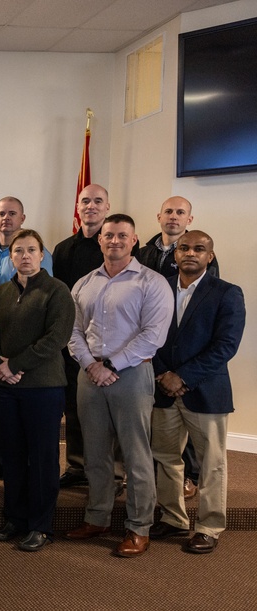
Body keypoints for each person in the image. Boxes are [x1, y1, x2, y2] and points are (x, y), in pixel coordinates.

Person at [65, 214, 173, 558]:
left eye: (122, 236)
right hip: (90, 376)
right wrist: (91, 365)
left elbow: (153, 336)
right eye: (109, 235)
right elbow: (73, 332)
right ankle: (97, 517)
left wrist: (110, 365)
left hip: (132, 376)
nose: (114, 240)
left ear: (134, 239)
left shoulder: (152, 282)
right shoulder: (83, 283)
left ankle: (138, 527)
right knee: (95, 454)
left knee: (135, 454)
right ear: (100, 240)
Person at [149, 231, 244, 554]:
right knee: (165, 458)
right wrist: (163, 374)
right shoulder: (158, 287)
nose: (191, 253)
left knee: (211, 463)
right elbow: (147, 332)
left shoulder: (227, 293)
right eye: (184, 248)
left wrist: (183, 377)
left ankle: (209, 526)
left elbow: (225, 346)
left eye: (199, 249)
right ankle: (173, 517)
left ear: (210, 256)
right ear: (175, 254)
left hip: (205, 392)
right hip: (162, 388)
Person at [0, 229, 75, 552]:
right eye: (18, 250)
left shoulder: (57, 291)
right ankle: (15, 519)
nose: (25, 255)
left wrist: (15, 365)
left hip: (43, 387)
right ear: (11, 257)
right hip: (4, 388)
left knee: (42, 458)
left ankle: (40, 525)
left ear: (41, 255)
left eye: (31, 250)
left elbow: (56, 339)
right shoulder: (1, 294)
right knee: (12, 455)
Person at [52, 184, 134, 491]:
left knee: (112, 411)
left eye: (98, 201)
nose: (91, 206)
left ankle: (115, 471)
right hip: (74, 340)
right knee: (75, 405)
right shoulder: (62, 249)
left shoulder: (122, 246)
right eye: (85, 201)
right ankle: (77, 464)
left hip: (114, 344)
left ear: (107, 206)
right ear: (78, 206)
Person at [137, 196, 220, 497]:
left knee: (195, 440)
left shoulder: (202, 257)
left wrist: (181, 374)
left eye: (180, 212)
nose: (173, 216)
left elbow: (206, 318)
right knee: (160, 436)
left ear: (189, 220)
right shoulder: (144, 251)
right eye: (169, 211)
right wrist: (160, 369)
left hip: (189, 365)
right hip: (152, 355)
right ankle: (162, 492)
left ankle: (191, 477)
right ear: (159, 216)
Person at [0, 196, 53, 480]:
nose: (6, 218)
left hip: (27, 353)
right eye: (1, 213)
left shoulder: (42, 263)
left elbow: (42, 303)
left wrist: (16, 362)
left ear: (22, 218)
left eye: (12, 213)